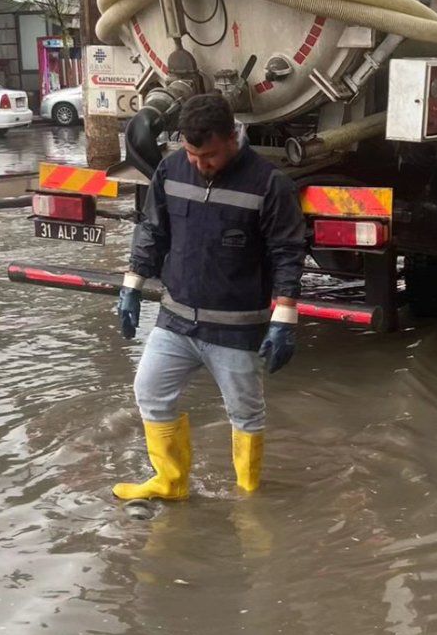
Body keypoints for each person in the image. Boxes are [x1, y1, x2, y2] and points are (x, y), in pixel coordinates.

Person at [114, 93, 307, 501]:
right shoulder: (171, 170)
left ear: (232, 138)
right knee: (149, 392)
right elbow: (152, 230)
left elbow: (286, 252)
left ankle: (249, 495)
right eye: (192, 153)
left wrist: (284, 318)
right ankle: (170, 482)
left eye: (211, 156)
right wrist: (132, 283)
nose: (201, 164)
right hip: (175, 321)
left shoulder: (269, 184)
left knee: (245, 413)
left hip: (235, 330)